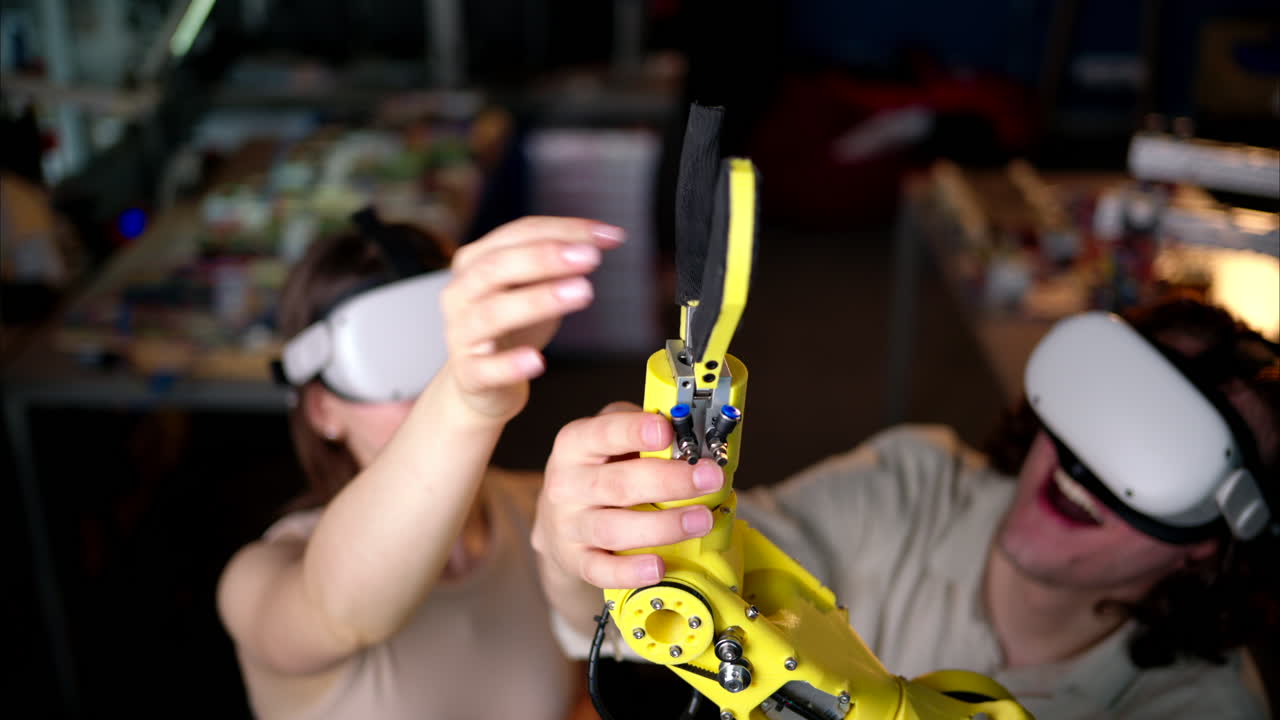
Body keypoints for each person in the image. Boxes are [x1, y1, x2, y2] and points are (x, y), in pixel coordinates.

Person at [531, 296, 1277, 719]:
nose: (1086, 466)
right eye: (1103, 407)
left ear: (1208, 543)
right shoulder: (915, 484)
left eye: (1152, 460)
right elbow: (633, 615)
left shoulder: (1203, 709)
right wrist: (590, 549)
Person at [217, 213, 625, 719]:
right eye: (386, 352)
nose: (422, 386)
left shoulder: (548, 511)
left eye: (437, 340)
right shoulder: (258, 580)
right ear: (323, 409)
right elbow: (339, 613)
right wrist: (461, 398)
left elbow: (580, 694)